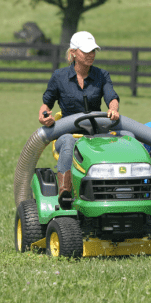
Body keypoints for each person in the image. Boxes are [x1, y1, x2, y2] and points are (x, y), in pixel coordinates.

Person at [38, 31, 122, 207]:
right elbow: (46, 106)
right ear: (73, 52)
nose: (91, 55)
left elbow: (111, 97)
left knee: (124, 139)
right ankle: (65, 192)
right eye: (86, 51)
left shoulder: (102, 75)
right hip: (66, 134)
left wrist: (113, 109)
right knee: (68, 140)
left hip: (95, 135)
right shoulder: (59, 77)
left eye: (93, 51)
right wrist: (44, 117)